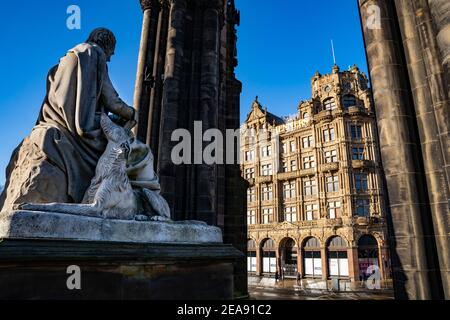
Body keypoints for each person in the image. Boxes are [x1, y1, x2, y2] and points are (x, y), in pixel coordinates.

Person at [0, 28, 136, 212]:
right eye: (111, 53)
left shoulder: (65, 59)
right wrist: (132, 113)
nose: (110, 58)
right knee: (127, 149)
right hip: (80, 128)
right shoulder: (94, 53)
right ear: (106, 44)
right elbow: (112, 100)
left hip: (54, 122)